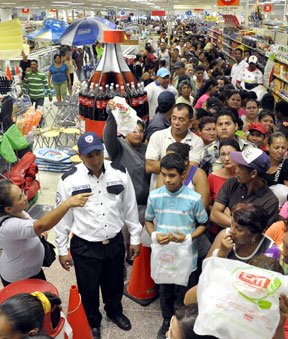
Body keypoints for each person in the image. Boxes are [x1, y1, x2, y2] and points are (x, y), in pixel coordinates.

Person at [55, 132, 142, 339]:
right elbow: (62, 216)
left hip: (114, 242)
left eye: (98, 153)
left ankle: (115, 312)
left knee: (114, 283)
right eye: (89, 156)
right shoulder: (69, 179)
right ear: (79, 155)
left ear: (103, 151)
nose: (95, 160)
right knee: (88, 288)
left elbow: (130, 208)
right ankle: (93, 320)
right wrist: (61, 248)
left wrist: (136, 238)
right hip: (85, 246)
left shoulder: (119, 173)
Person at [145, 153, 208, 339]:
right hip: (163, 254)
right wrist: (154, 234)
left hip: (186, 255)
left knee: (185, 291)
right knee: (164, 290)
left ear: (183, 175)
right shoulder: (155, 196)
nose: (167, 179)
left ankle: (181, 323)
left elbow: (203, 224)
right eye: (164, 174)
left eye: (172, 175)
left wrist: (188, 236)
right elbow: (148, 220)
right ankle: (166, 321)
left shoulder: (194, 199)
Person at [0, 179, 90, 286]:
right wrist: (67, 203)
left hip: (33, 270)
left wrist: (38, 232)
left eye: (22, 192)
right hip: (19, 278)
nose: (25, 197)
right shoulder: (7, 226)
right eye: (20, 198)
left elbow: (35, 224)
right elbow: (41, 225)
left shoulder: (18, 211)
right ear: (8, 209)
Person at [103, 100, 150, 249]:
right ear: (125, 131)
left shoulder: (148, 149)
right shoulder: (118, 146)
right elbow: (108, 136)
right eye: (134, 130)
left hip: (143, 205)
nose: (138, 133)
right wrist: (111, 114)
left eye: (141, 131)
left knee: (139, 245)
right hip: (122, 205)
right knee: (122, 243)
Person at [210, 148, 279, 230]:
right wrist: (242, 224)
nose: (236, 170)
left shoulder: (270, 201)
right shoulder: (232, 183)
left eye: (240, 167)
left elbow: (257, 233)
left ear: (253, 173)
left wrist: (231, 219)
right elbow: (214, 215)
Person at [146, 103, 204, 191]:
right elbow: (149, 166)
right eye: (174, 118)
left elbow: (191, 169)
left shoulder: (197, 141)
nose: (176, 123)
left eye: (181, 119)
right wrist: (181, 163)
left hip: (184, 195)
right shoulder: (157, 136)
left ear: (190, 122)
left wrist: (164, 163)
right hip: (159, 194)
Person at [208, 203, 274, 262]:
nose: (232, 231)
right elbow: (206, 269)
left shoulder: (270, 248)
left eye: (239, 229)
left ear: (255, 234)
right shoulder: (224, 235)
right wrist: (222, 253)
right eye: (232, 224)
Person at [200, 110, 255, 175]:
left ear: (236, 126)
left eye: (227, 124)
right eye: (220, 124)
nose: (223, 128)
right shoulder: (208, 150)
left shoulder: (250, 148)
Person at [208, 138, 240, 238]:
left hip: (241, 229)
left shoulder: (245, 177)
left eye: (230, 154)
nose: (226, 158)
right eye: (223, 154)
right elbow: (207, 205)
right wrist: (219, 211)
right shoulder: (212, 177)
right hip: (217, 228)